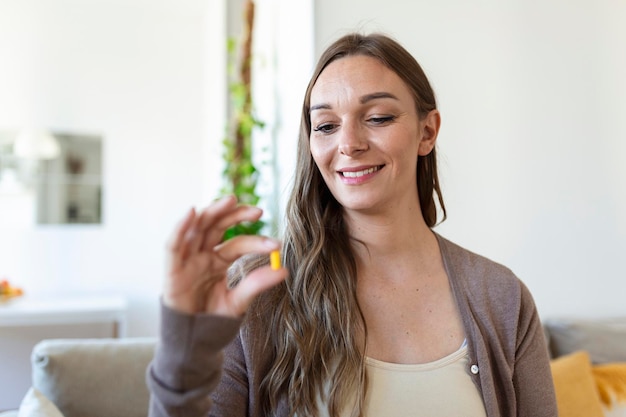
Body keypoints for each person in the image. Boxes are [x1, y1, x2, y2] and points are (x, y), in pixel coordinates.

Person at [147, 32, 557, 417]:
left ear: (427, 131)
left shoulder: (503, 299)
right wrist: (181, 367)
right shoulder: (259, 295)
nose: (349, 143)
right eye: (325, 125)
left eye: (377, 117)